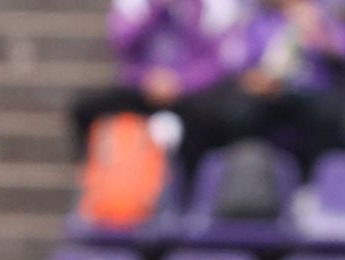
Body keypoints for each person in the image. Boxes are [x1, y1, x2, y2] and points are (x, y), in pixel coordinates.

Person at [70, 0, 258, 167]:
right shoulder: (133, 4)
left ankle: (197, 194)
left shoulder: (214, 6)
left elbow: (220, 59)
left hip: (191, 96)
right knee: (86, 108)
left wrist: (182, 82)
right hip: (141, 91)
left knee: (222, 119)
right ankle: (97, 184)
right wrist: (156, 7)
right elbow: (122, 44)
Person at [233, 0, 345, 166]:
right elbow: (244, 67)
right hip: (271, 92)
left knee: (327, 112)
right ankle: (250, 170)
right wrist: (258, 81)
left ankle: (315, 179)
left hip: (314, 90)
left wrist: (317, 34)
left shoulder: (328, 13)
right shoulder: (259, 18)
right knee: (240, 111)